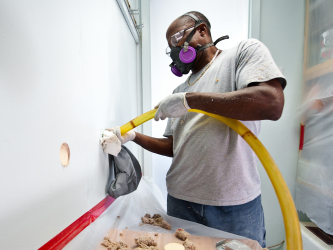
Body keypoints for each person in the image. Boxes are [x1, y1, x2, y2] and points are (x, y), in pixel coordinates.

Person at [105, 11, 286, 248]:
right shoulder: (180, 90)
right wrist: (134, 136)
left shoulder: (241, 54)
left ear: (202, 31)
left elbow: (271, 103)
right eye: (169, 46)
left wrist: (189, 101)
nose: (174, 49)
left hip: (233, 205)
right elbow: (174, 147)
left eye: (177, 38)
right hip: (181, 202)